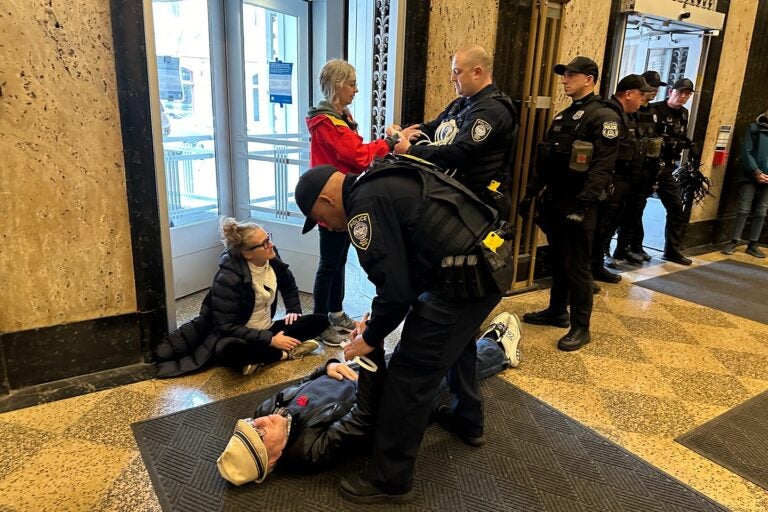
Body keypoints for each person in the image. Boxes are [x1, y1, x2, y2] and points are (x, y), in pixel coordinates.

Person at [294, 154, 514, 503]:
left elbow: (397, 292)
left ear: (326, 199)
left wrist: (369, 338)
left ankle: (390, 477)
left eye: (321, 220)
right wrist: (377, 315)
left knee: (408, 376)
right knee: (458, 345)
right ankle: (466, 419)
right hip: (489, 265)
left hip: (462, 282)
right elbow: (403, 275)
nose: (329, 227)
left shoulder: (361, 212)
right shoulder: (380, 179)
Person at [216, 312, 523, 486]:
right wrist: (369, 358)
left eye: (248, 424)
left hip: (362, 375)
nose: (258, 421)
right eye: (259, 433)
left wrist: (329, 366)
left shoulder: (268, 409)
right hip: (389, 400)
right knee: (438, 370)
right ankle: (499, 348)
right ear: (273, 458)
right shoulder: (308, 451)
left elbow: (306, 383)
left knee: (426, 355)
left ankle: (476, 340)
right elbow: (364, 418)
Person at [306, 59, 419, 348]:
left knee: (338, 262)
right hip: (331, 204)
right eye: (352, 84)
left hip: (342, 202)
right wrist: (391, 142)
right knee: (329, 265)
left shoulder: (339, 116)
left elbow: (355, 153)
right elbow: (356, 155)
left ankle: (336, 312)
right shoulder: (326, 121)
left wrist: (386, 141)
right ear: (337, 85)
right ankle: (320, 322)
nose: (356, 90)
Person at [520, 56, 619, 352]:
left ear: (589, 79)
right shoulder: (564, 117)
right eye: (564, 75)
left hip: (580, 204)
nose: (564, 80)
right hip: (557, 201)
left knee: (577, 266)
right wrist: (531, 193)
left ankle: (581, 327)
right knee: (559, 260)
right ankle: (556, 311)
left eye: (571, 75)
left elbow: (603, 165)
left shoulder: (603, 117)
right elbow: (547, 161)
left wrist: (584, 204)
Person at [153, 218, 326, 377]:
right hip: (239, 336)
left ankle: (260, 357)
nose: (271, 244)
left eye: (268, 237)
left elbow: (288, 284)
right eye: (264, 243)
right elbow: (226, 326)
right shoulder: (228, 278)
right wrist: (272, 341)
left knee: (320, 321)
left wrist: (293, 310)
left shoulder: (271, 256)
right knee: (229, 351)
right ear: (247, 254)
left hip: (267, 328)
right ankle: (284, 353)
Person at [388, 44, 518, 217]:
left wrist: (411, 150)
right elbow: (434, 127)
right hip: (455, 199)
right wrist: (401, 130)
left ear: (477, 72)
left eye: (457, 71)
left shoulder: (491, 111)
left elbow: (461, 152)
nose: (452, 78)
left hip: (477, 207)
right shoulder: (463, 103)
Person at [591, 74, 654, 283]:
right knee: (599, 229)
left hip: (625, 184)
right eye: (641, 94)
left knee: (608, 227)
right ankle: (589, 271)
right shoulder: (610, 115)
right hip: (610, 184)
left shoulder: (628, 115)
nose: (643, 99)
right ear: (628, 94)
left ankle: (597, 265)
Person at [613, 70, 668, 264]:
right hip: (625, 173)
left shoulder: (652, 112)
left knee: (635, 212)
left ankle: (626, 247)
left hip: (644, 170)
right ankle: (608, 253)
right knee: (617, 215)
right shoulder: (625, 112)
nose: (652, 92)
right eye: (649, 88)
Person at [650, 77, 697, 265]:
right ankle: (625, 248)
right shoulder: (656, 110)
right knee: (631, 209)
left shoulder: (684, 114)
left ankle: (671, 250)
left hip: (668, 169)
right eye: (680, 92)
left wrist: (690, 145)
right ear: (671, 91)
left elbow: (680, 136)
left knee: (676, 207)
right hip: (651, 167)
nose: (683, 97)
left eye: (687, 94)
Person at [721, 109, 768, 258]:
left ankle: (753, 244)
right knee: (743, 209)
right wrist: (756, 172)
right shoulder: (754, 128)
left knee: (762, 211)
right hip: (750, 175)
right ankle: (733, 241)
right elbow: (746, 151)